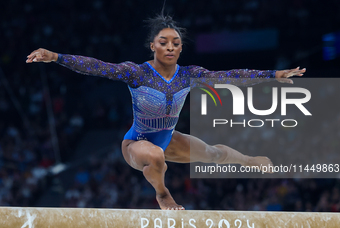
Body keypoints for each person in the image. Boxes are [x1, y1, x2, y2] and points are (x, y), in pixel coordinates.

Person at [26, 14, 306, 210]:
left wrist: (273, 73)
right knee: (156, 156)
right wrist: (57, 57)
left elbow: (230, 75)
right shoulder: (136, 73)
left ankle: (248, 160)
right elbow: (97, 66)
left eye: (175, 43)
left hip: (168, 138)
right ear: (153, 46)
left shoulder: (190, 75)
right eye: (163, 42)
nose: (170, 46)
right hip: (137, 143)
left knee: (213, 154)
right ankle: (163, 194)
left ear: (181, 48)